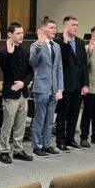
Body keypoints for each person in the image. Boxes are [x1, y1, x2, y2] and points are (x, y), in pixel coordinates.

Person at [0, 21, 33, 164]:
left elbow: (30, 72)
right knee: (8, 124)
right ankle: (4, 151)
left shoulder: (25, 52)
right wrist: (10, 54)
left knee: (21, 123)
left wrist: (23, 83)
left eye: (22, 33)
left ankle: (18, 149)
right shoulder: (2, 52)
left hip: (23, 92)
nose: (21, 35)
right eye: (18, 33)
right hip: (11, 94)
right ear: (10, 35)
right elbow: (7, 72)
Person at [29, 18, 63, 157]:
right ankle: (37, 146)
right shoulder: (36, 45)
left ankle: (47, 144)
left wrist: (60, 88)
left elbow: (59, 68)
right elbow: (32, 62)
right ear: (43, 30)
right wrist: (39, 45)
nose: (54, 30)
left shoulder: (57, 46)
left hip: (54, 88)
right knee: (40, 118)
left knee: (50, 119)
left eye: (55, 27)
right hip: (41, 87)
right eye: (51, 27)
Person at [54, 15, 89, 151]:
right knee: (63, 114)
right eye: (73, 25)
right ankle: (60, 140)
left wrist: (85, 84)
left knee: (74, 113)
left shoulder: (80, 42)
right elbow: (60, 63)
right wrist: (66, 43)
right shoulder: (58, 42)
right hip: (65, 84)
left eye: (77, 25)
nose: (76, 27)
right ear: (65, 26)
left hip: (78, 85)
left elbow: (84, 65)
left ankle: (70, 139)